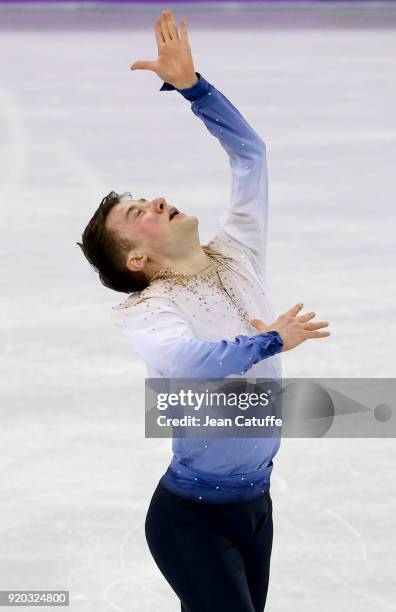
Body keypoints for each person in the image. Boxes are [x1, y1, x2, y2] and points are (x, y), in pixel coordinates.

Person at [77, 10, 330, 612]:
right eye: (138, 212)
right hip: (190, 520)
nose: (157, 201)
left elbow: (251, 157)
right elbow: (188, 365)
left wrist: (195, 89)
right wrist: (268, 342)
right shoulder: (149, 310)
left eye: (145, 198)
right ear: (137, 259)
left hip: (255, 508)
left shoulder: (237, 250)